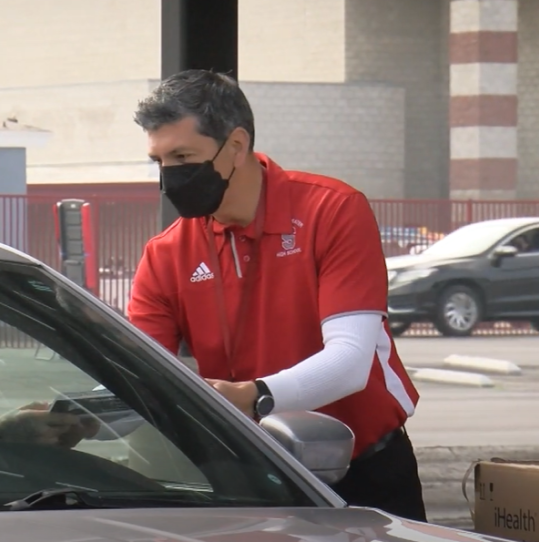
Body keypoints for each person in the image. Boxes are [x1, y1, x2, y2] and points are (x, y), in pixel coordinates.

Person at [126, 69, 426, 521]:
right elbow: (137, 376)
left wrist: (250, 396)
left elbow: (350, 362)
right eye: (159, 161)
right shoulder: (166, 253)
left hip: (364, 468)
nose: (170, 176)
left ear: (236, 145)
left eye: (183, 156)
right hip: (247, 474)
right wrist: (68, 417)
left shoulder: (332, 210)